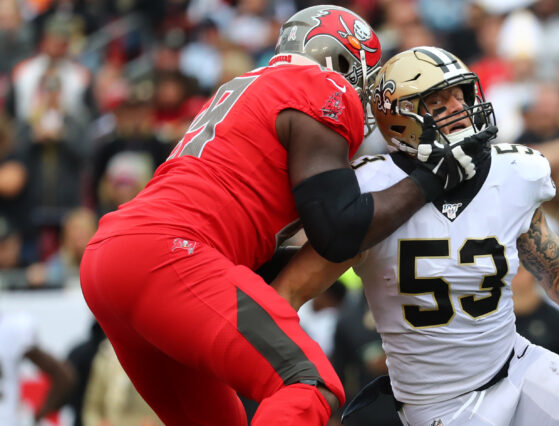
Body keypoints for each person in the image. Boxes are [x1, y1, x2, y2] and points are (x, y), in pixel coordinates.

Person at [79, 6, 490, 426]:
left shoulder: (246, 85)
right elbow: (338, 230)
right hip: (168, 252)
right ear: (345, 62)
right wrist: (431, 179)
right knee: (307, 385)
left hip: (110, 256)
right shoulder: (322, 86)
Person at [272, 46, 559, 425]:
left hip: (517, 366)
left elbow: (555, 271)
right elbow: (289, 292)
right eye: (439, 101)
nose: (460, 108)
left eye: (461, 95)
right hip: (436, 402)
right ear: (399, 117)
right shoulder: (369, 187)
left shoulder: (514, 173)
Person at [0, 310, 76, 424]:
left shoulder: (10, 330)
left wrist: (40, 414)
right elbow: (64, 377)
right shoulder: (10, 330)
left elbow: (63, 377)